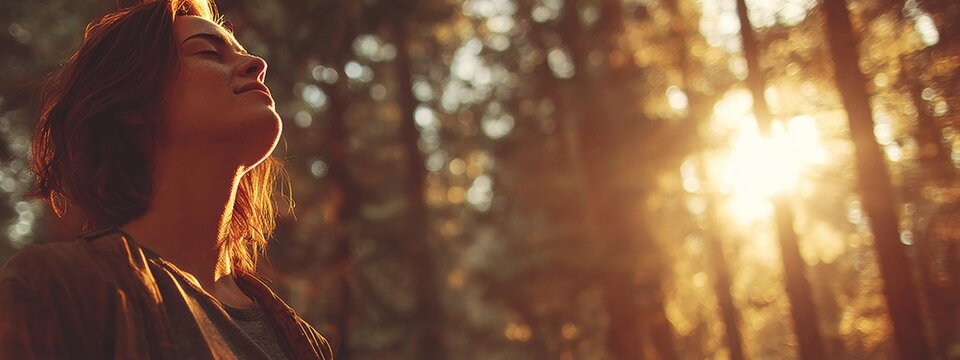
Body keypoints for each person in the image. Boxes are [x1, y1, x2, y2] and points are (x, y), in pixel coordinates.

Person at [0, 0, 333, 358]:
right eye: (209, 52)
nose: (258, 64)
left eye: (242, 52)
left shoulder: (305, 344)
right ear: (133, 103)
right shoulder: (58, 287)